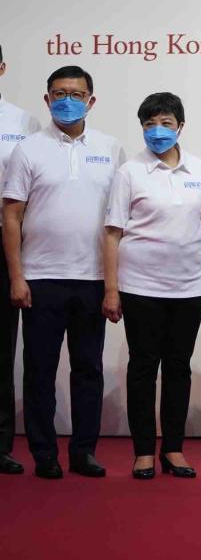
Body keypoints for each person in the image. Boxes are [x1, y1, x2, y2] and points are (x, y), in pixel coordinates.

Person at [2, 65, 124, 479]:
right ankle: (44, 454)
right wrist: (17, 276)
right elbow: (11, 216)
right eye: (59, 94)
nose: (67, 100)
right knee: (39, 370)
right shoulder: (28, 149)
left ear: (91, 100)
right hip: (40, 278)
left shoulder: (111, 148)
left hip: (93, 279)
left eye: (76, 94)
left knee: (88, 369)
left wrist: (114, 284)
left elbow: (118, 221)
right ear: (47, 99)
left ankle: (84, 452)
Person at [101, 93, 201, 479]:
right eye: (149, 124)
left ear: (181, 126)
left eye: (166, 123)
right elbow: (113, 233)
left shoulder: (200, 170)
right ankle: (143, 452)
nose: (157, 130)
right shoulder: (129, 172)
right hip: (140, 286)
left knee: (178, 368)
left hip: (189, 286)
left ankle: (173, 449)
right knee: (143, 366)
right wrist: (112, 289)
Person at [0, 44, 41, 475]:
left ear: (2, 68)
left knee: (2, 349)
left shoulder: (23, 123)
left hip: (4, 240)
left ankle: (1, 445)